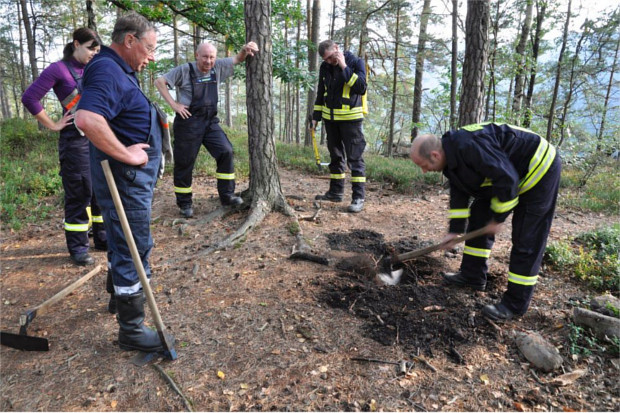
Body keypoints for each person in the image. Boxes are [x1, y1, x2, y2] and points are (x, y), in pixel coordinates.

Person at [74, 12, 174, 353]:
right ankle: (131, 330)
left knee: (124, 242)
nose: (152, 55)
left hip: (131, 181)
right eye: (149, 47)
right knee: (135, 248)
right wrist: (129, 156)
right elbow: (87, 118)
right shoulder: (106, 68)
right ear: (129, 40)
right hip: (124, 180)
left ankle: (119, 298)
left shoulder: (118, 69)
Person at [409, 122, 561, 321]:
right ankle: (472, 276)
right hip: (506, 176)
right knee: (479, 215)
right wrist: (454, 232)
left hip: (538, 168)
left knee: (527, 238)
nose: (424, 171)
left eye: (423, 165)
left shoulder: (470, 146)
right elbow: (459, 196)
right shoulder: (451, 158)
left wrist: (497, 218)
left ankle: (515, 305)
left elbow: (508, 180)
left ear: (435, 155)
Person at [21, 28, 107, 266]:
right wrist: (53, 125)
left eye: (97, 50)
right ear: (76, 43)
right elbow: (29, 98)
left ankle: (102, 237)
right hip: (75, 141)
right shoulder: (59, 69)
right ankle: (78, 247)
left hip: (98, 137)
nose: (93, 54)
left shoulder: (93, 68)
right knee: (80, 192)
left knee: (100, 190)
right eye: (91, 48)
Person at [154, 40, 259, 218]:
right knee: (185, 163)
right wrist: (174, 105)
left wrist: (244, 49)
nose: (208, 61)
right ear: (197, 56)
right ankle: (185, 203)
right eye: (205, 57)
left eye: (211, 57)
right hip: (188, 123)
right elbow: (159, 82)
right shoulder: (184, 70)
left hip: (210, 122)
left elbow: (237, 59)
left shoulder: (217, 67)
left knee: (226, 151)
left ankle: (227, 195)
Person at [310, 39, 367, 213]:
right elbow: (321, 92)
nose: (328, 62)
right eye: (325, 59)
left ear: (336, 49)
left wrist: (343, 66)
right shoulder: (325, 67)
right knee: (336, 157)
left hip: (351, 121)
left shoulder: (356, 62)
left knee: (354, 159)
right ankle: (336, 192)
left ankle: (358, 197)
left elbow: (361, 87)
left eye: (330, 57)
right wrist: (316, 116)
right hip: (331, 120)